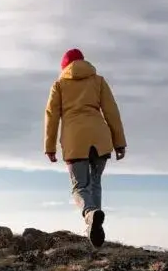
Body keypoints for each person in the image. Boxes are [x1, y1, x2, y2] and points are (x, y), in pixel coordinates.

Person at [44, 48, 127, 248]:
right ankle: (94, 229)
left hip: (75, 140)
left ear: (64, 66)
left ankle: (90, 215)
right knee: (95, 182)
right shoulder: (98, 81)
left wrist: (50, 146)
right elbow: (111, 111)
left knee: (80, 186)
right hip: (100, 138)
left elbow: (51, 116)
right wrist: (119, 142)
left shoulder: (59, 85)